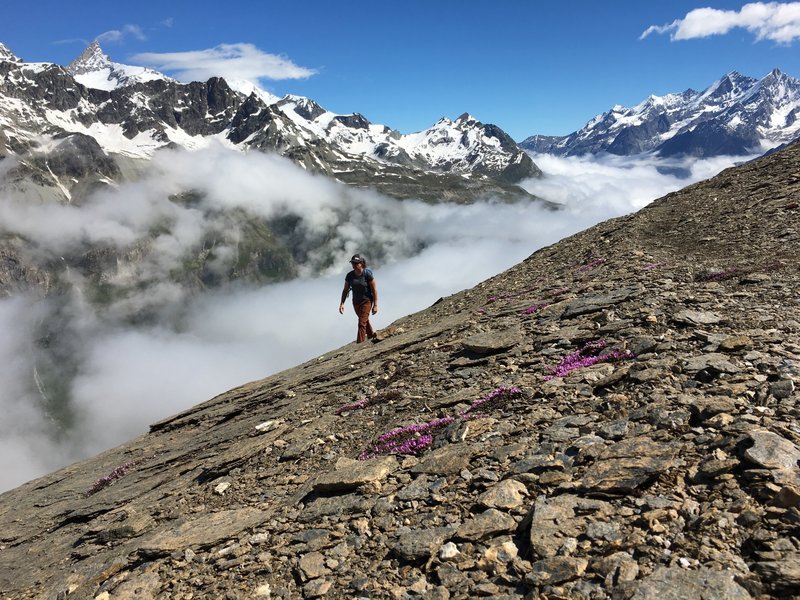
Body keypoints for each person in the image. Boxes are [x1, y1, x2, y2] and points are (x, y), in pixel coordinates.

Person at [339, 253, 378, 343]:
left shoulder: (367, 274)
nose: (354, 265)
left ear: (361, 263)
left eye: (356, 263)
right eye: (353, 263)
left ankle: (360, 345)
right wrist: (342, 303)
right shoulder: (350, 276)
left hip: (367, 301)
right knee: (364, 321)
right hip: (356, 302)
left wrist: (375, 305)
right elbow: (345, 290)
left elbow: (374, 290)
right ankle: (372, 337)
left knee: (361, 323)